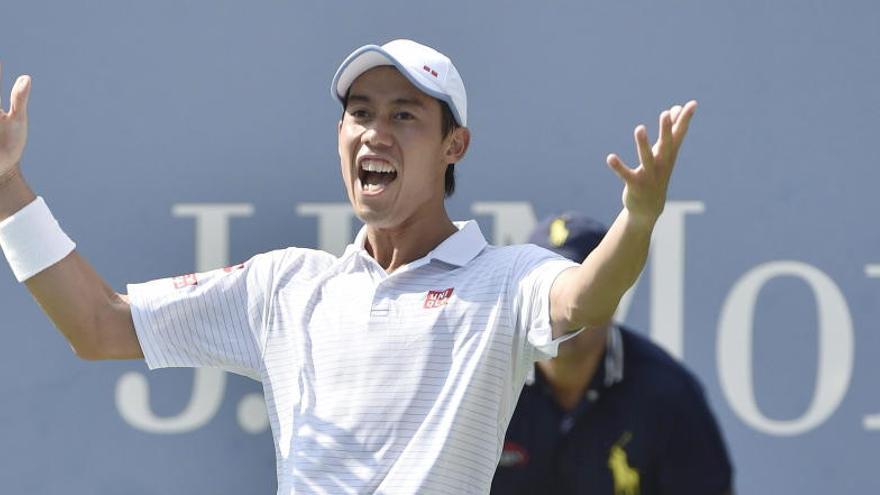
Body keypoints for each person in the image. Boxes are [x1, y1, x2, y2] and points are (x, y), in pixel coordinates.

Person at [0, 39, 697, 494]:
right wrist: (8, 188)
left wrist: (638, 219)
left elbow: (582, 299)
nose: (376, 132)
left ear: (454, 145)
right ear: (340, 135)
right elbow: (97, 325)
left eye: (405, 115)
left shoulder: (505, 277)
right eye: (360, 112)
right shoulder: (284, 286)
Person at [491, 212, 734, 495]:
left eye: (584, 290)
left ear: (615, 294)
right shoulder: (482, 381)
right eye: (549, 290)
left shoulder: (669, 393)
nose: (564, 308)